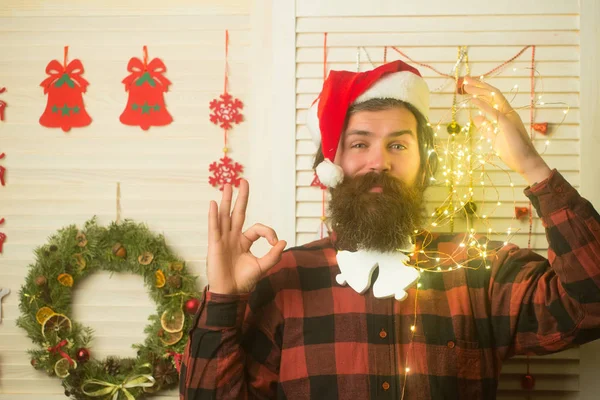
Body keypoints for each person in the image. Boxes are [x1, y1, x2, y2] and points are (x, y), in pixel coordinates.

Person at [180, 60, 600, 399]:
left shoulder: (482, 270)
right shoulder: (281, 281)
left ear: (424, 164)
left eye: (398, 145)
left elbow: (590, 308)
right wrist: (223, 298)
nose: (379, 162)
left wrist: (532, 166)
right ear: (330, 168)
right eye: (360, 144)